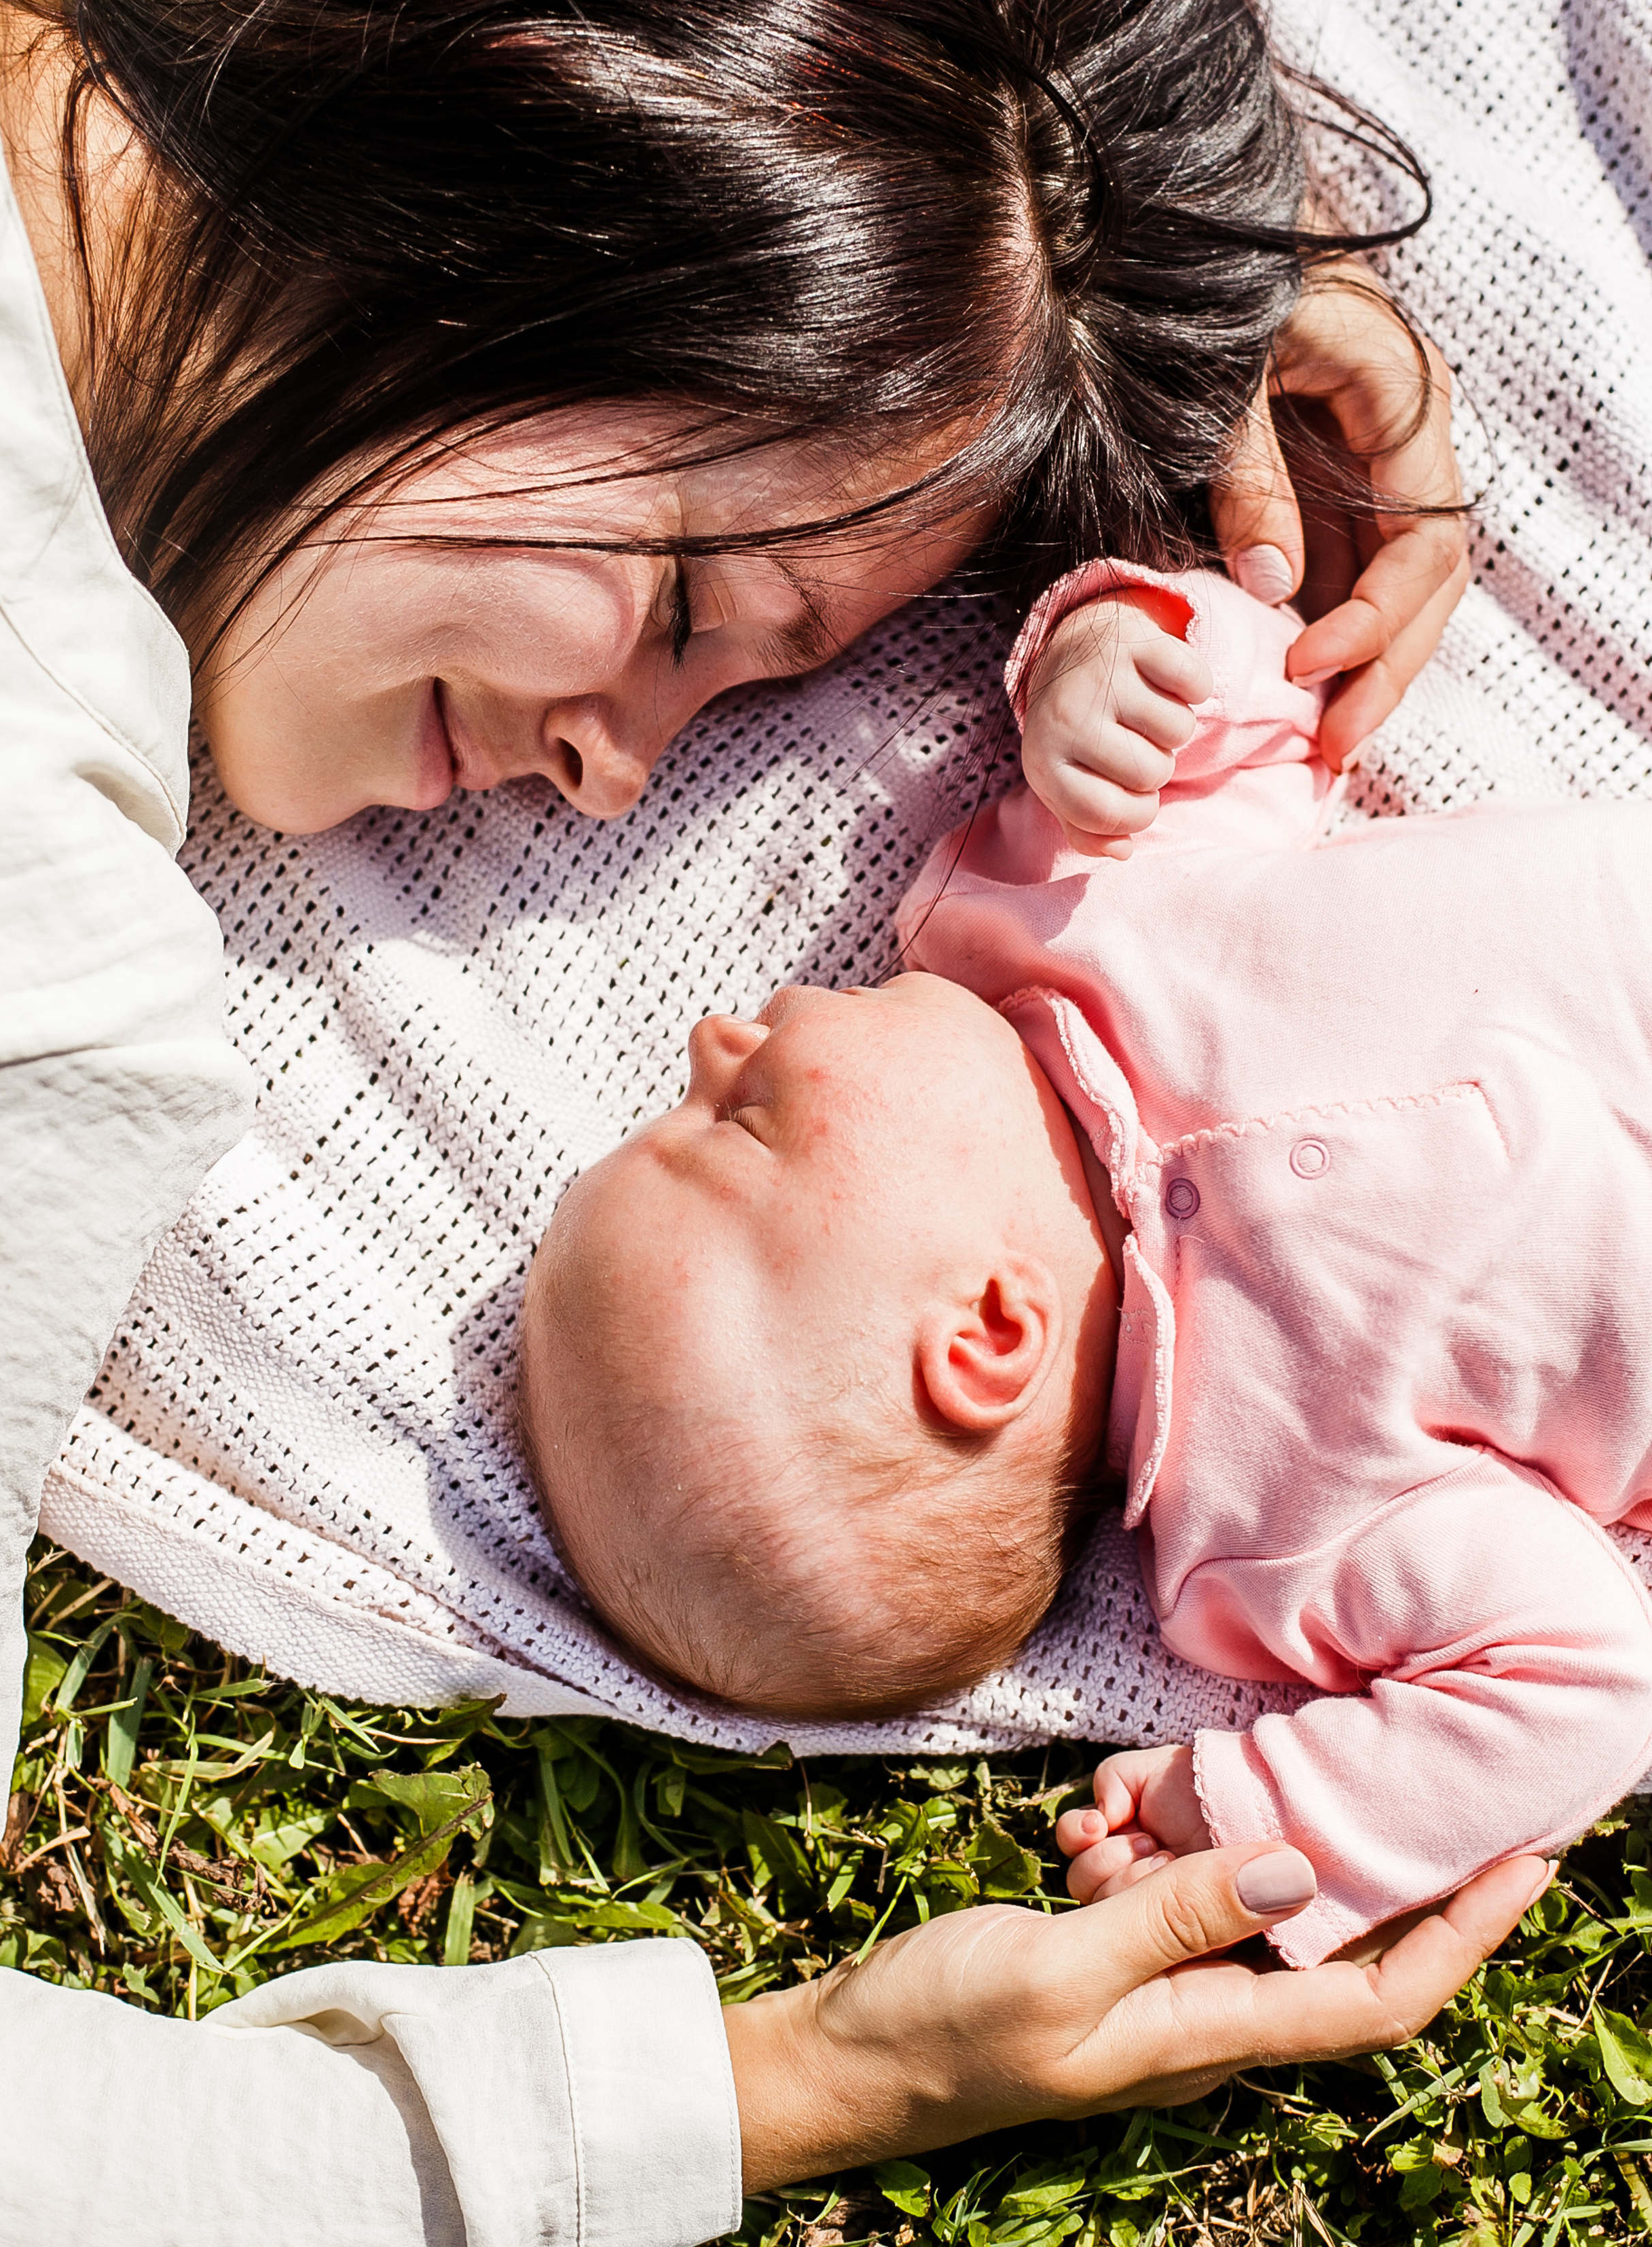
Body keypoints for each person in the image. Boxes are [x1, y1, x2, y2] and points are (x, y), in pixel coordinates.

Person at [0, 0, 1490, 2247]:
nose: (616, 773)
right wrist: (811, 2073)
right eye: (679, 614)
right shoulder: (10, 973)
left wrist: (1033, 198)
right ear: (538, 145)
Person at [517, 564, 1652, 1965]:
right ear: (988, 1333)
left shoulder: (1069, 912)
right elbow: (1582, 1684)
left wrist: (1117, 660)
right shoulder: (1280, 1522)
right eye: (740, 1127)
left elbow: (1254, 716)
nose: (709, 1041)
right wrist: (1268, 1804)